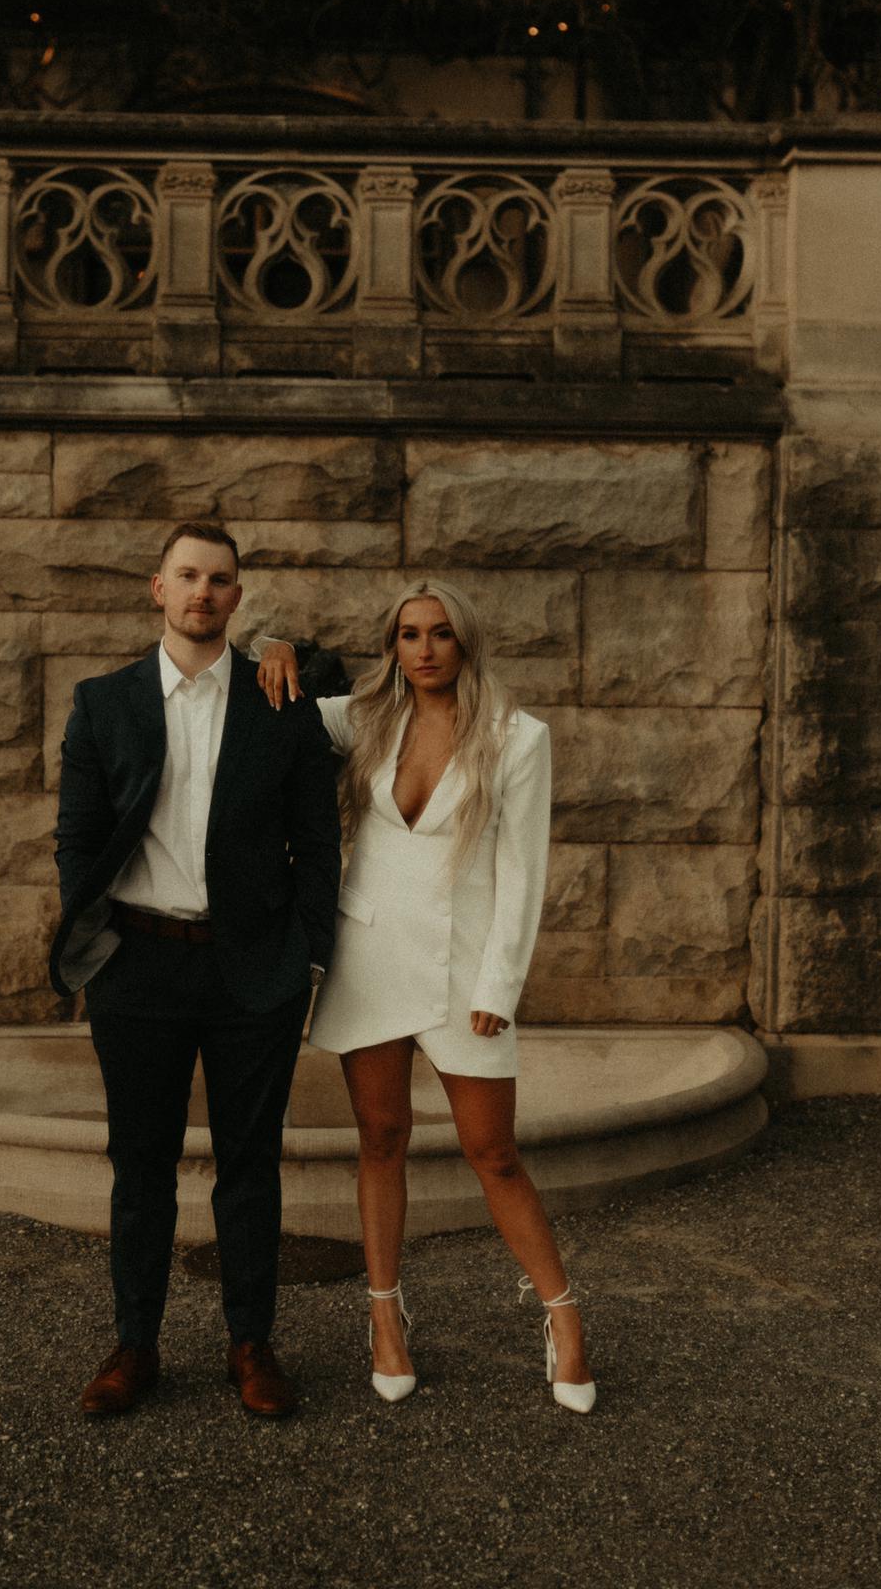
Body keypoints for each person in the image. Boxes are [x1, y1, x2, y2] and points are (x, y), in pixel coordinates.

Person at [256, 581, 595, 1413]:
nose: (425, 649)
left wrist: (500, 984)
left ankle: (564, 1319)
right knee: (381, 1140)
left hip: (463, 975)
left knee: (494, 1153)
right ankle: (385, 1318)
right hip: (370, 957)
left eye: (440, 633)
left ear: (464, 641)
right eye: (409, 635)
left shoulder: (517, 738)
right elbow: (273, 696)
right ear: (393, 647)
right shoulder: (365, 718)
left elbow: (523, 872)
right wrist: (271, 644)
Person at [50, 523, 340, 1420]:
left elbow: (318, 840)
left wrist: (308, 952)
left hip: (252, 972)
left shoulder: (281, 698)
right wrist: (94, 939)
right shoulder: (104, 702)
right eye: (187, 576)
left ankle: (251, 1345)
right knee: (141, 1165)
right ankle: (135, 1346)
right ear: (159, 589)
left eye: (219, 580)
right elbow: (77, 838)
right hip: (138, 968)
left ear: (237, 599)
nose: (202, 592)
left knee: (251, 1164)